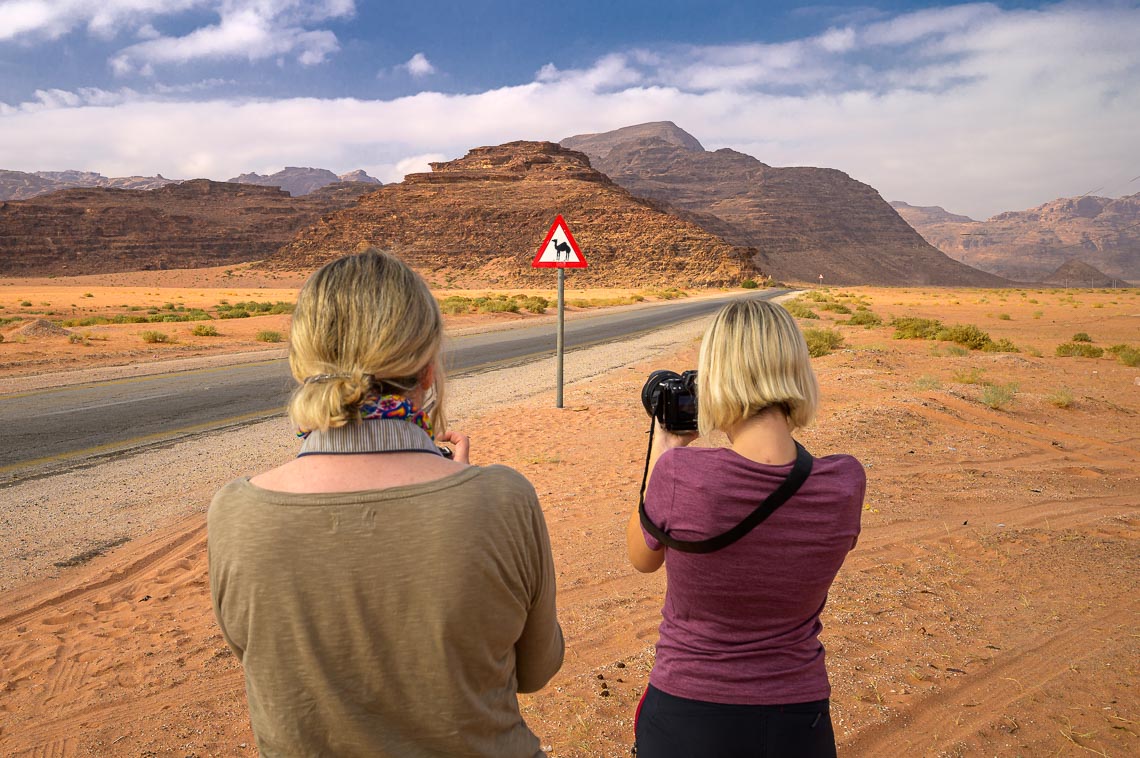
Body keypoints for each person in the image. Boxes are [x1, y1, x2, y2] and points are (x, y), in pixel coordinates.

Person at [208, 249, 564, 757]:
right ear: (425, 370)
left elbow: (264, 662)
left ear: (300, 364)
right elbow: (537, 668)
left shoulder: (236, 512)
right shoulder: (503, 499)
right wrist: (462, 494)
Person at [626, 298, 864, 757]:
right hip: (799, 720)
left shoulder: (681, 474)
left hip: (688, 713)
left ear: (718, 376)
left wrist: (667, 444)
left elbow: (642, 558)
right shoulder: (844, 482)